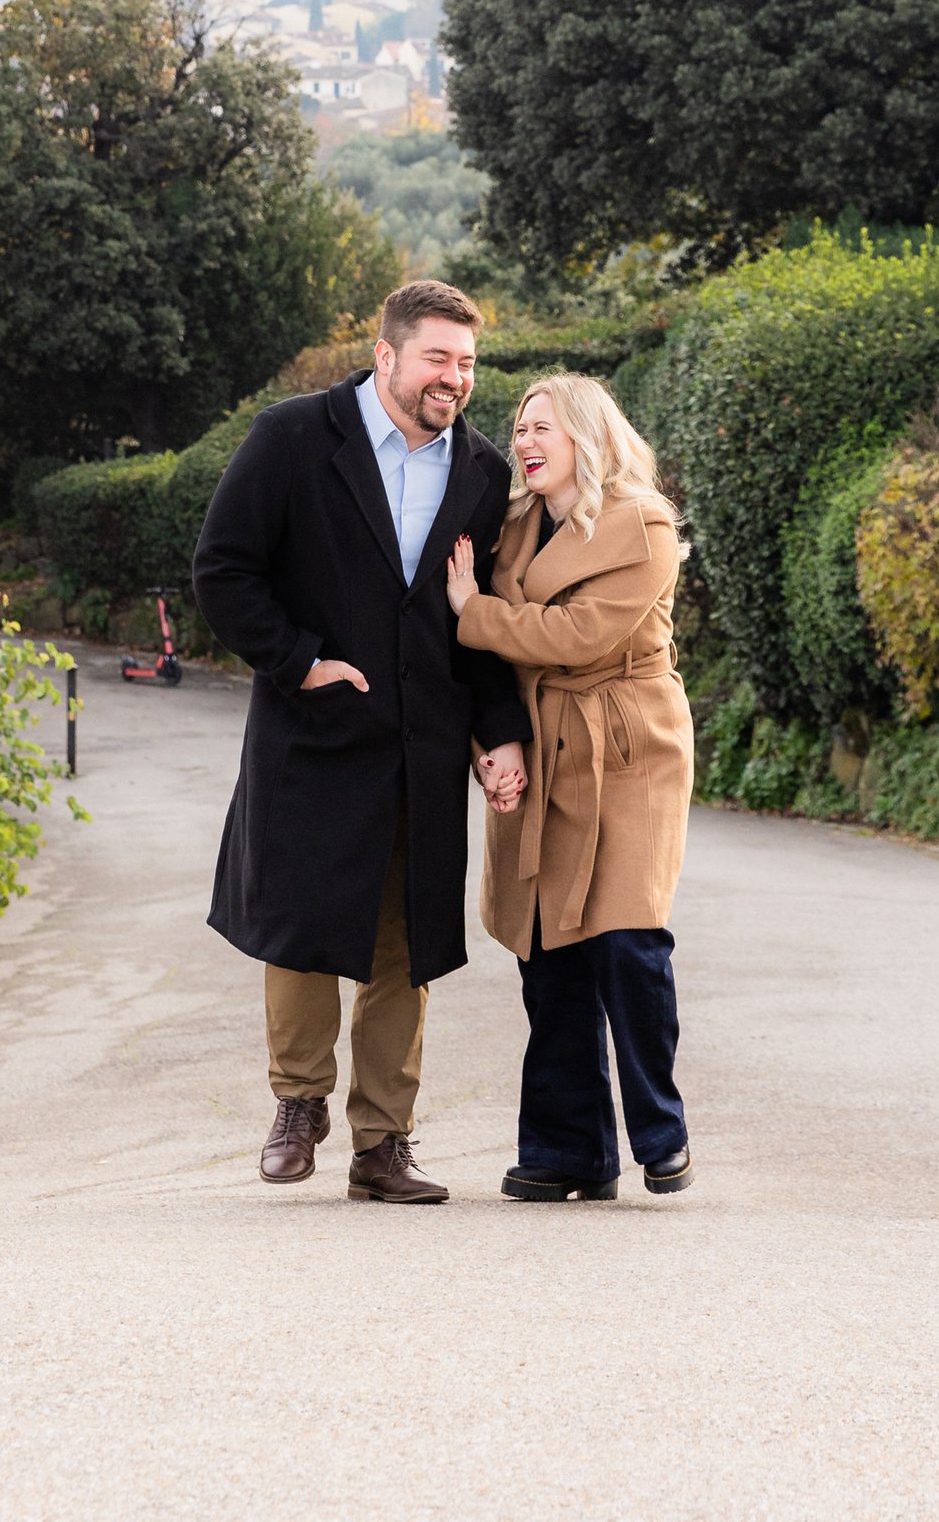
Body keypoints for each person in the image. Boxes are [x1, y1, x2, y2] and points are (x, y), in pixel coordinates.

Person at [192, 279, 529, 1203]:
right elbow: (224, 569)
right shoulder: (293, 436)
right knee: (302, 926)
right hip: (312, 732)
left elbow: (477, 620)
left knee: (404, 945)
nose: (454, 378)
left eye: (467, 363)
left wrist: (498, 733)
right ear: (385, 355)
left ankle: (383, 1144)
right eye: (436, 358)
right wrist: (300, 662)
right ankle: (298, 1102)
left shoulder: (482, 472)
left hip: (425, 745)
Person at [445, 372, 696, 1201]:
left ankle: (660, 1132)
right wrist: (494, 742)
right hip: (541, 734)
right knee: (547, 949)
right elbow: (491, 662)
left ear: (586, 435)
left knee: (626, 938)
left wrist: (473, 610)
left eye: (541, 427)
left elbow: (579, 637)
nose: (523, 441)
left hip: (627, 745)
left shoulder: (644, 523)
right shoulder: (513, 526)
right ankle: (567, 1150)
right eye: (519, 428)